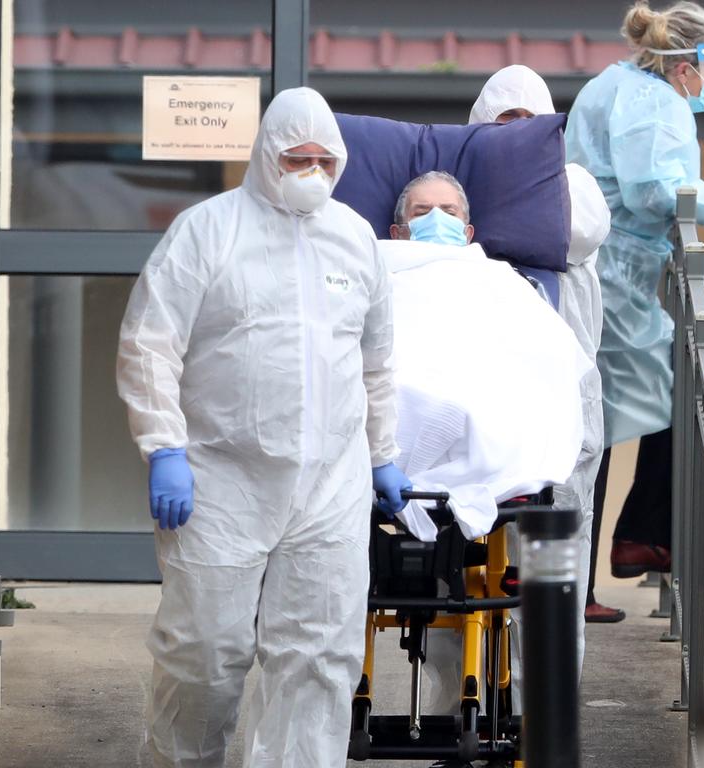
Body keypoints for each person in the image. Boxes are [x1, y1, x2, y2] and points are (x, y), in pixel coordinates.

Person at [116, 86, 412, 768]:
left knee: (319, 656)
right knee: (205, 651)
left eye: (322, 160)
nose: (310, 171)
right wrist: (165, 445)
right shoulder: (209, 230)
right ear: (264, 155)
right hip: (222, 478)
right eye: (295, 157)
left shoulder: (356, 239)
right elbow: (150, 342)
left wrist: (383, 455)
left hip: (327, 486)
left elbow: (376, 363)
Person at [565, 0, 704, 584]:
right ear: (684, 65)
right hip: (617, 275)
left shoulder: (621, 86)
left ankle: (609, 558)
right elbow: (656, 193)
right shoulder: (653, 104)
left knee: (614, 414)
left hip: (613, 271)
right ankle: (635, 542)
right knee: (664, 403)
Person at [469, 64, 624, 628]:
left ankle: (549, 713)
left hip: (561, 393)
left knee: (556, 564)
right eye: (503, 121)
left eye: (527, 122)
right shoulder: (455, 186)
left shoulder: (573, 184)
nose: (515, 133)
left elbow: (573, 231)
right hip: (478, 393)